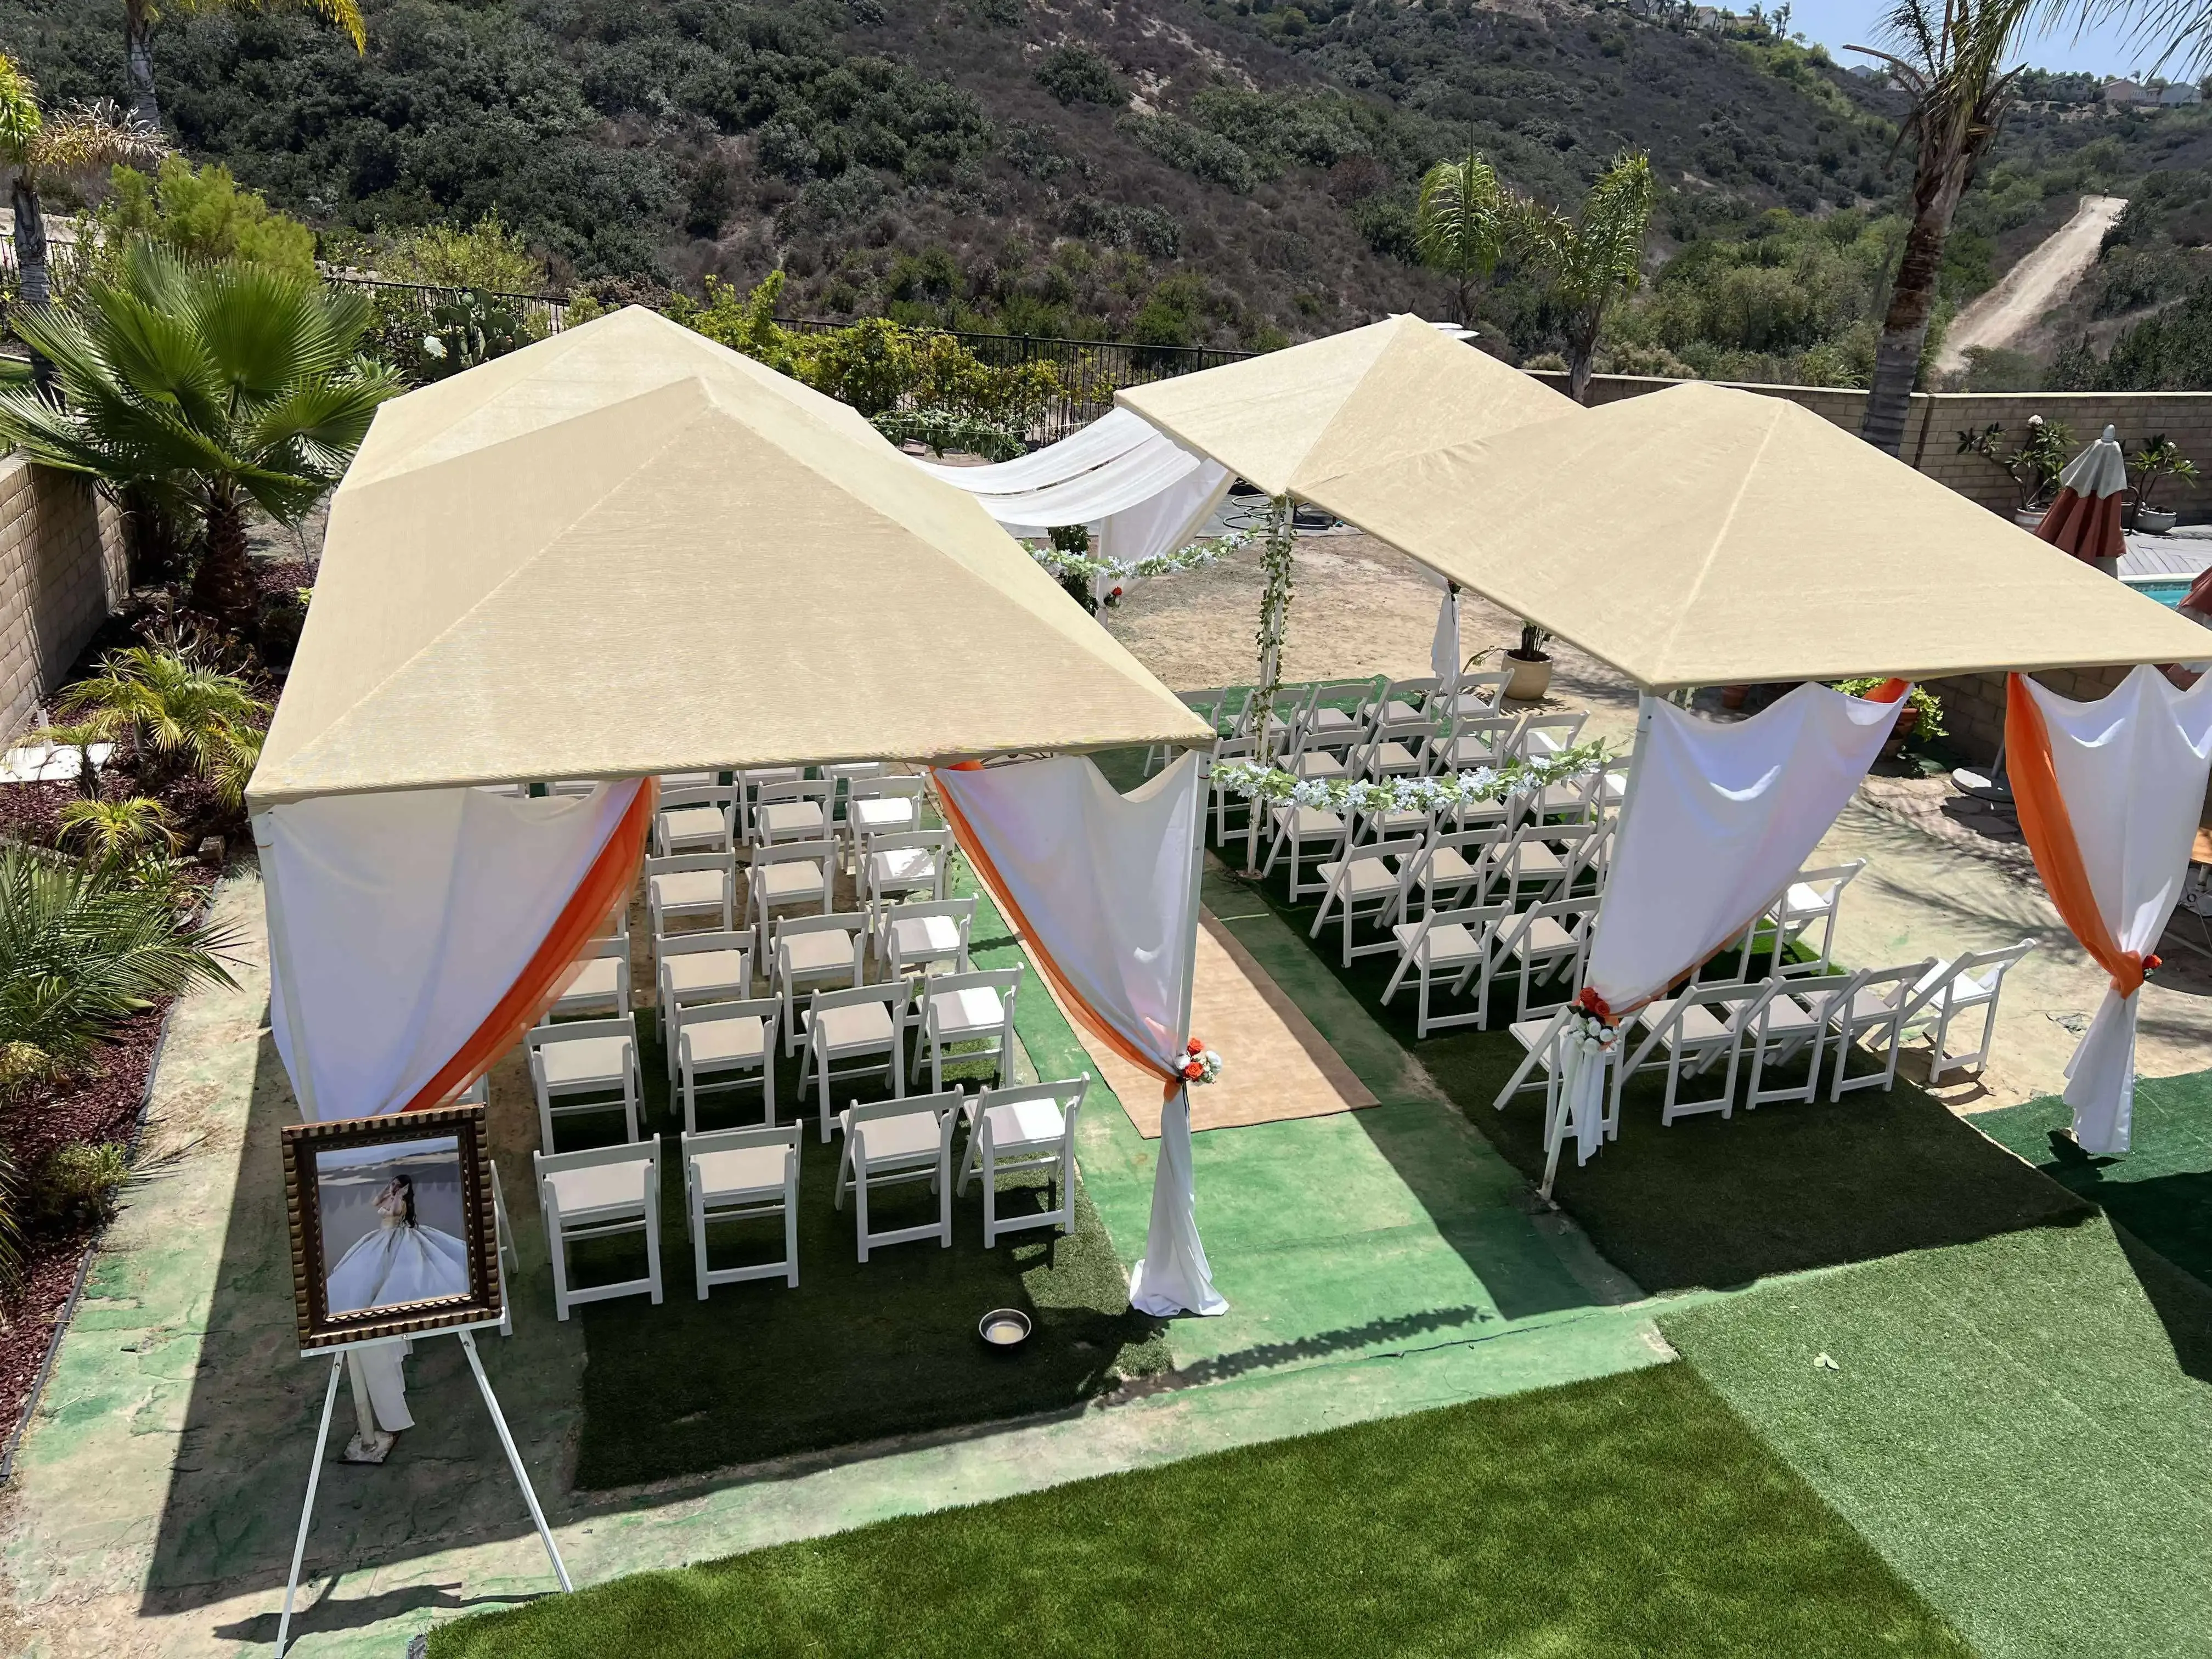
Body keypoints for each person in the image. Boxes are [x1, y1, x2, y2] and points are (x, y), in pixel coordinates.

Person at [326, 1172, 470, 1313]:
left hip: (396, 1234)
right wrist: (388, 1188)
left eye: (398, 1186)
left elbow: (394, 1213)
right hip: (383, 1234)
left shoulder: (401, 1202)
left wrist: (399, 1195)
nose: (394, 1188)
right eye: (393, 1184)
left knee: (396, 1265)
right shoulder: (390, 1197)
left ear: (405, 1189)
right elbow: (375, 1202)